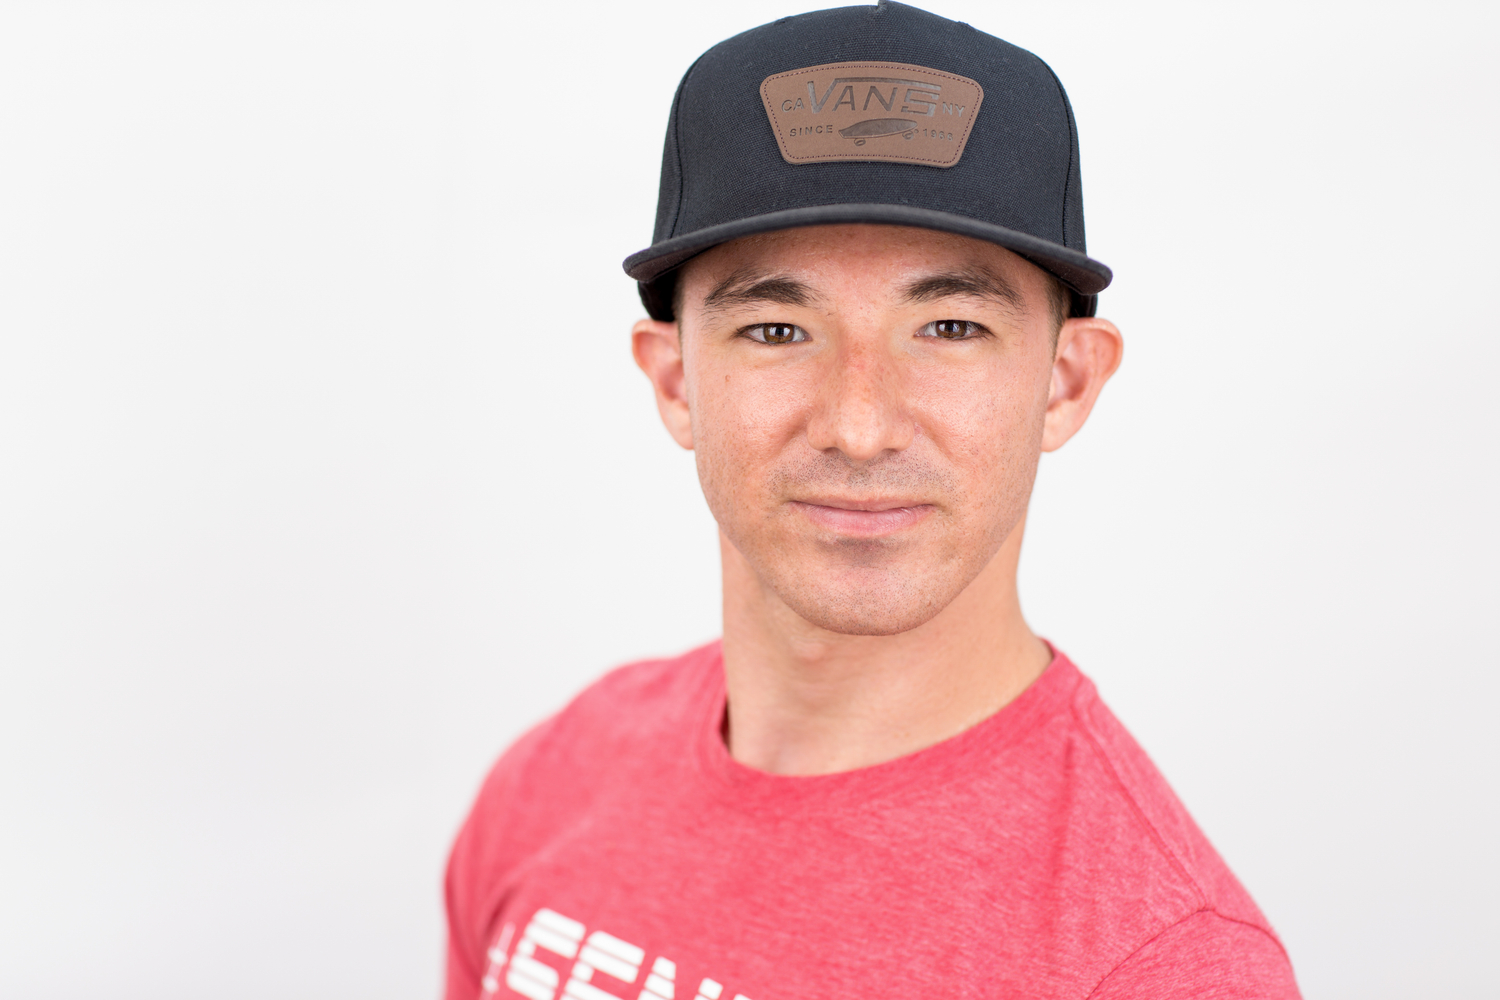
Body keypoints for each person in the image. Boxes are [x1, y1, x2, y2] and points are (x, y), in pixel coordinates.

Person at [444, 3, 1301, 998]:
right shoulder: (554, 781)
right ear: (675, 382)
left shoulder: (1162, 965)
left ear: (1065, 383)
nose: (860, 426)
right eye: (776, 331)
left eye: (950, 328)